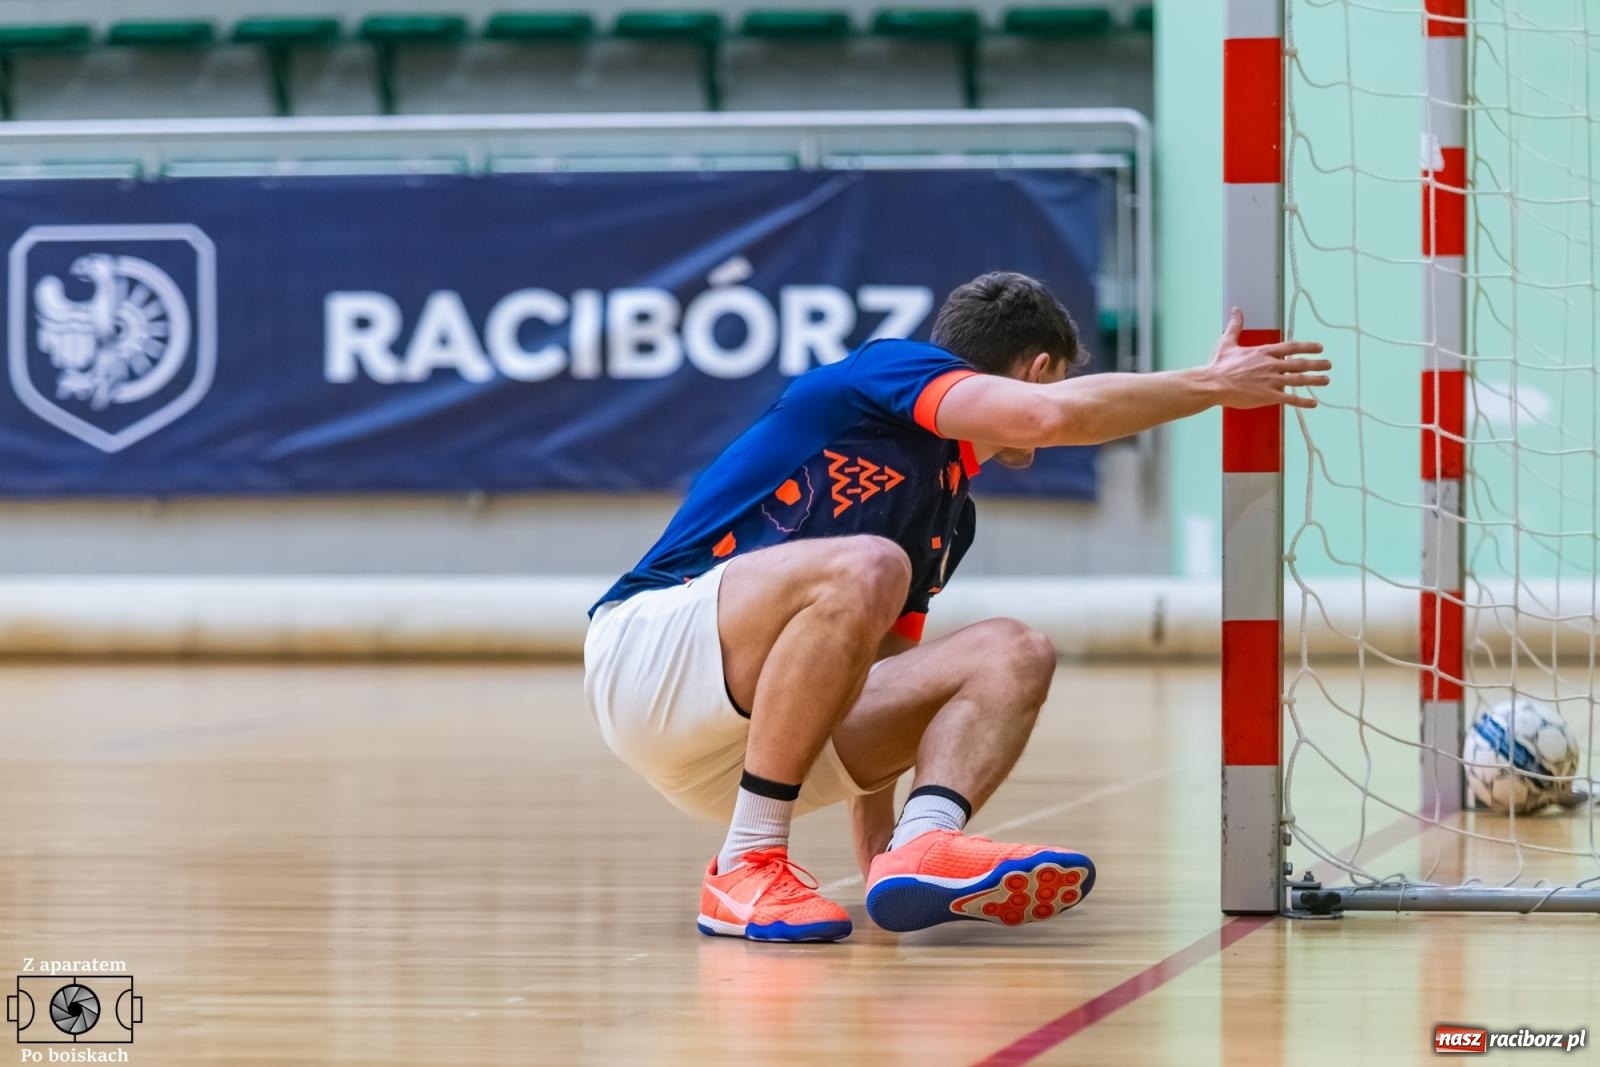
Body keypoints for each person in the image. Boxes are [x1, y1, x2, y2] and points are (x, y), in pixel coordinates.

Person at [584, 272, 1329, 942]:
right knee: (871, 562)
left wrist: (879, 864)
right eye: (1058, 382)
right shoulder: (888, 370)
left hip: (746, 749)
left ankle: (921, 842)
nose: (1041, 438)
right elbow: (1044, 421)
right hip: (652, 660)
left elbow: (871, 677)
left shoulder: (949, 513)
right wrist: (1211, 384)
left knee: (1014, 648)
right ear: (1038, 370)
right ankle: (745, 863)